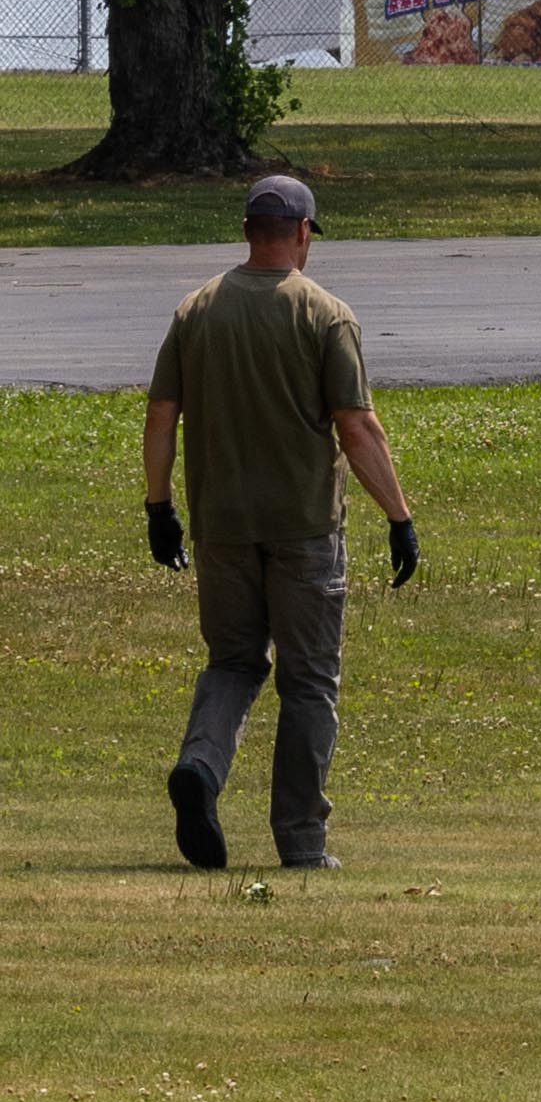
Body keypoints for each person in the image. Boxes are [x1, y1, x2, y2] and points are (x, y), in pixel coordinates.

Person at [141, 174, 418, 872]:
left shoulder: (195, 310)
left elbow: (160, 414)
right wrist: (399, 515)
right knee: (309, 680)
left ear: (247, 231)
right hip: (303, 529)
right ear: (300, 233)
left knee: (232, 661)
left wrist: (159, 506)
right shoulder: (325, 314)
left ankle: (201, 767)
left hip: (221, 524)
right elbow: (356, 427)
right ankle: (300, 838)